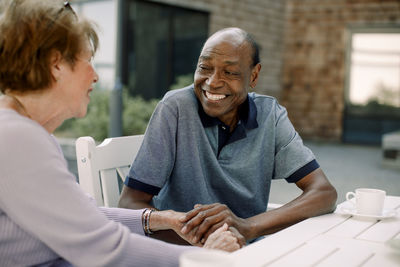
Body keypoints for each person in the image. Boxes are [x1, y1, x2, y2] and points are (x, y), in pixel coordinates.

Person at [0, 1, 244, 266]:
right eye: (87, 61)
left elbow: (83, 217)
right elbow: (102, 247)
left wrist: (162, 219)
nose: (95, 77)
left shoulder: (30, 134)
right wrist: (206, 258)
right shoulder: (16, 138)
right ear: (56, 63)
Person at [119, 27, 338, 245]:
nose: (213, 82)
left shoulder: (270, 115)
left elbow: (324, 193)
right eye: (204, 67)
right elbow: (129, 204)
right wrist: (208, 241)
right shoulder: (175, 108)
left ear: (253, 76)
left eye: (230, 72)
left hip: (245, 251)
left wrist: (247, 227)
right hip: (181, 252)